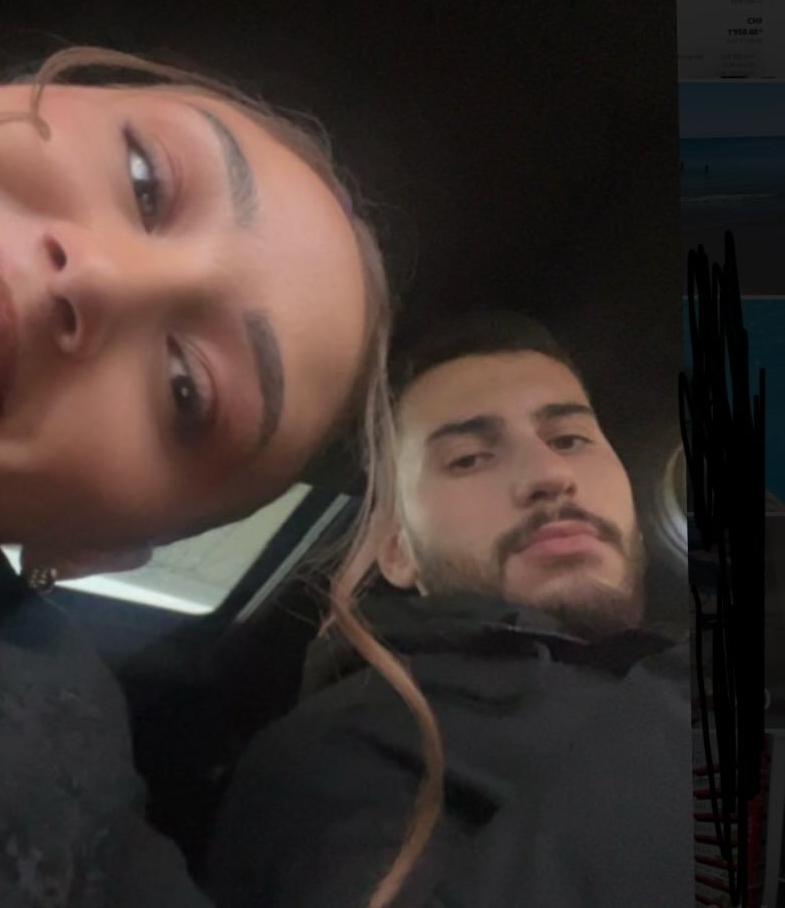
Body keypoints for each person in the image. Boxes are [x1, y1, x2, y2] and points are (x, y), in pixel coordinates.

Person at [0, 45, 399, 906]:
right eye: (146, 180)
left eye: (186, 389)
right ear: (1, 90)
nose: (102, 280)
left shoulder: (44, 811)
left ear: (89, 552)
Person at [207, 310, 691, 908]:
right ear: (398, 551)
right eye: (469, 458)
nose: (550, 474)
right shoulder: (336, 752)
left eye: (569, 439)